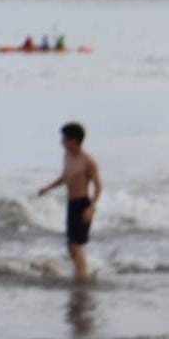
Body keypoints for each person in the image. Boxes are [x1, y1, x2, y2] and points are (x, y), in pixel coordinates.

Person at [37, 122, 103, 284]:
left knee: (75, 245)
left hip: (83, 204)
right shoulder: (67, 157)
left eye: (64, 139)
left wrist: (91, 208)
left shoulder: (88, 161)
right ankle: (81, 274)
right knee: (71, 246)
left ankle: (81, 278)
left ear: (73, 140)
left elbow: (98, 186)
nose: (61, 142)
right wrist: (48, 188)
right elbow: (64, 178)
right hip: (71, 204)